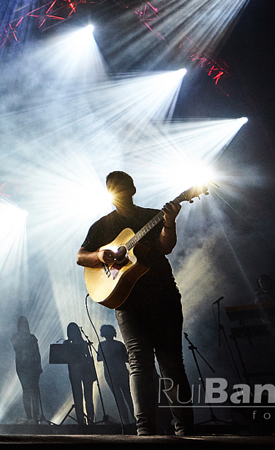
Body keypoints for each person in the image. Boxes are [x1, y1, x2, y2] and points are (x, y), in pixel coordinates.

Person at [76, 171, 194, 436]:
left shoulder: (151, 216)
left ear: (133, 189)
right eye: (112, 188)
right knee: (139, 362)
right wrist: (100, 255)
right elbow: (81, 257)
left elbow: (166, 247)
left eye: (121, 187)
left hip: (163, 294)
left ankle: (186, 430)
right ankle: (145, 431)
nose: (118, 192)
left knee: (172, 361)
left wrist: (169, 222)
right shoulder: (102, 226)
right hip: (128, 300)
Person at [96, 324, 134, 425]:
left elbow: (98, 358)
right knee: (128, 397)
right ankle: (134, 421)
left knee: (120, 399)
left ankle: (126, 422)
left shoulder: (102, 345)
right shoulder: (119, 344)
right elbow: (127, 359)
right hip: (120, 373)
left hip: (111, 374)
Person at [10, 316, 43, 422]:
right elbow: (17, 348)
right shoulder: (16, 337)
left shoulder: (32, 338)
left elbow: (37, 353)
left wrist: (39, 366)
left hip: (33, 368)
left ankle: (36, 416)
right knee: (27, 391)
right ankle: (29, 416)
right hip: (23, 368)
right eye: (22, 324)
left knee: (34, 391)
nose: (24, 326)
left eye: (26, 324)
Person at [64, 322, 97, 425]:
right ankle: (81, 420)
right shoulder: (67, 344)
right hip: (75, 372)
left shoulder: (83, 343)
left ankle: (90, 419)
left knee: (87, 396)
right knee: (79, 396)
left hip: (85, 371)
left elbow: (88, 356)